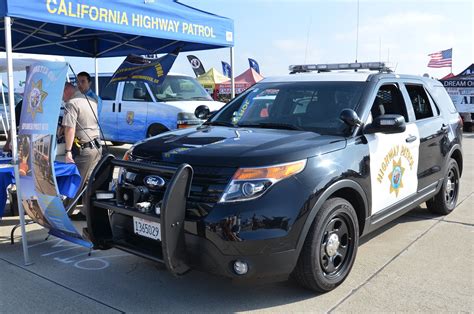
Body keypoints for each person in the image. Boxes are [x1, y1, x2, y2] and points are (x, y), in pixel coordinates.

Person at [62, 82, 102, 220]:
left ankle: (64, 214)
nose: (62, 99)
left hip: (85, 148)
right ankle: (87, 212)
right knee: (89, 183)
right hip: (96, 146)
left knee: (75, 181)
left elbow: (70, 129)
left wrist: (67, 151)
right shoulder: (91, 100)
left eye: (62, 94)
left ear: (66, 90)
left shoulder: (72, 103)